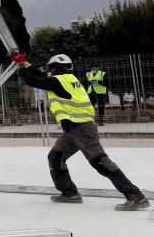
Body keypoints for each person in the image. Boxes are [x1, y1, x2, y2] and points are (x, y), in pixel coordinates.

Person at [11, 51, 149, 210]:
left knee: (101, 163)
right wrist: (25, 63)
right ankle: (70, 193)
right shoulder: (68, 79)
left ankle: (136, 197)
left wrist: (21, 66)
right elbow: (42, 77)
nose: (50, 71)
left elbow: (32, 80)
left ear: (56, 68)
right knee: (55, 157)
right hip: (72, 130)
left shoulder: (59, 81)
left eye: (52, 68)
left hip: (82, 129)